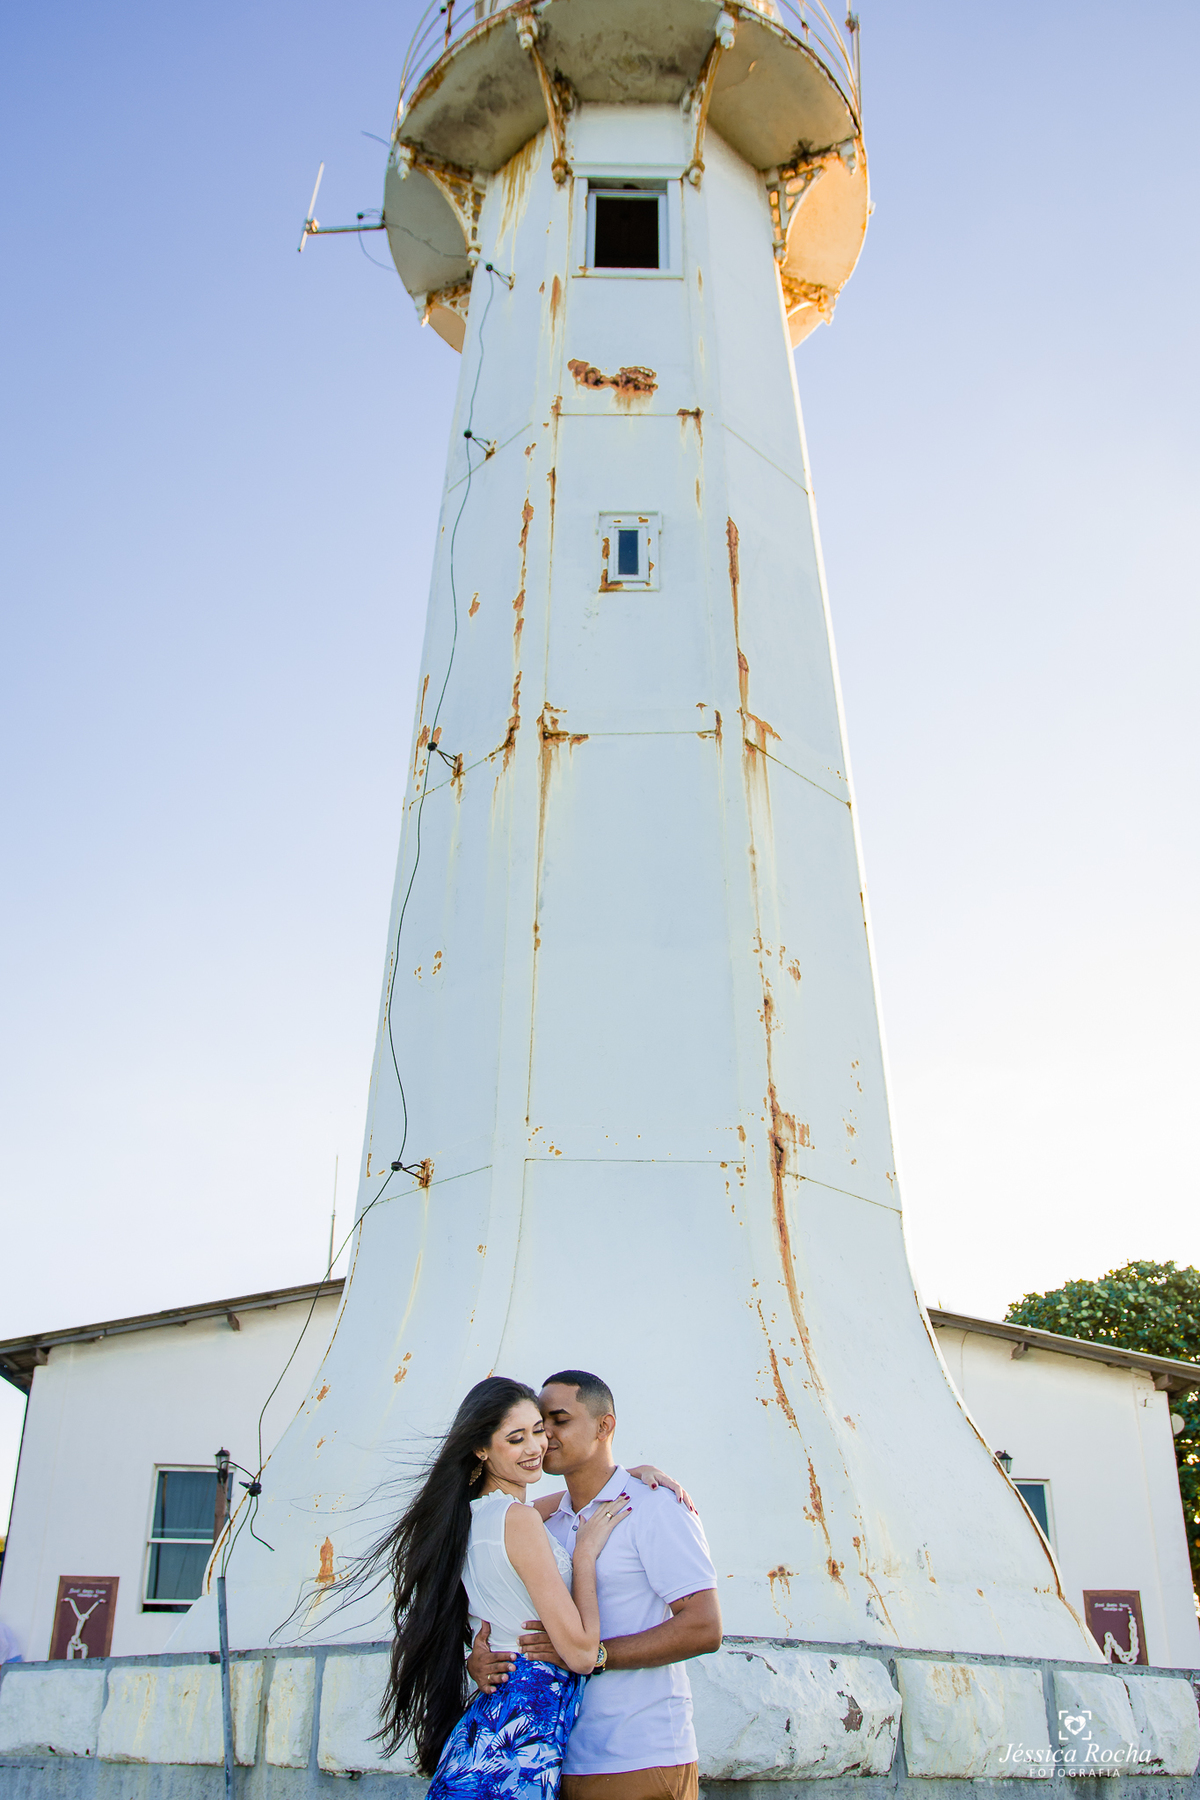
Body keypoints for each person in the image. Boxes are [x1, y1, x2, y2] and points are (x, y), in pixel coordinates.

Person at [375, 1374, 674, 1799]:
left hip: (487, 1730)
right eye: (516, 1439)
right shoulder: (517, 1521)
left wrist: (625, 1478)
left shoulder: (469, 1519)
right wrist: (584, 1558)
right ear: (481, 1448)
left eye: (538, 1431)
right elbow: (583, 1655)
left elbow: (540, 1509)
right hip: (520, 1739)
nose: (535, 1448)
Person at [468, 1370, 722, 1800]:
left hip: (638, 1756)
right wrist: (478, 1660)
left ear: (605, 1426)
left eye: (558, 1420)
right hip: (555, 1759)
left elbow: (704, 1627)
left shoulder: (654, 1506)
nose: (544, 1435)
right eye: (537, 1423)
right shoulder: (548, 1520)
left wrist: (595, 1656)